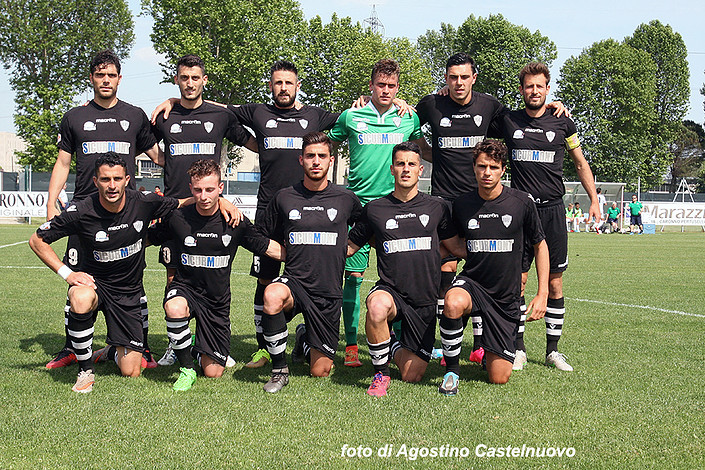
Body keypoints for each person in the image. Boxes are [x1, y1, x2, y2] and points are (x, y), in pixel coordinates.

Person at [151, 60, 340, 368]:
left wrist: (386, 102)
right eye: (277, 83)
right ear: (271, 86)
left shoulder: (314, 116)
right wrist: (175, 100)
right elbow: (217, 105)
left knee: (311, 271)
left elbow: (353, 118)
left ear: (297, 86)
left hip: (306, 210)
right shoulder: (258, 113)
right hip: (269, 212)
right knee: (263, 279)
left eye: (288, 83)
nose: (283, 88)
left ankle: (314, 332)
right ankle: (264, 347)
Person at [415, 53, 566, 363]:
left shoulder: (489, 106)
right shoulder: (431, 104)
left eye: (464, 77)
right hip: (445, 200)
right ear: (446, 79)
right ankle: (443, 344)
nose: (458, 82)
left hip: (479, 199)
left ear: (474, 78)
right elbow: (405, 124)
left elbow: (522, 118)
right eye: (452, 77)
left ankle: (483, 343)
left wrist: (555, 110)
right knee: (444, 269)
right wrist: (432, 155)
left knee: (485, 268)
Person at [29, 153, 191, 393]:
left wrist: (221, 202)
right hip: (94, 285)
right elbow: (36, 241)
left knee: (132, 371)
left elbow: (183, 204)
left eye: (117, 178)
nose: (112, 185)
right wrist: (68, 274)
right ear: (96, 182)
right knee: (80, 297)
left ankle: (112, 351)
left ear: (127, 179)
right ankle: (85, 370)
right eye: (105, 179)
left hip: (127, 292)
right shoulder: (81, 211)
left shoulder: (144, 201)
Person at [44, 50, 162, 370]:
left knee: (132, 282)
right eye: (100, 75)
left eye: (111, 75)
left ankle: (143, 346)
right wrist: (51, 198)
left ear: (120, 79)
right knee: (78, 283)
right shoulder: (74, 117)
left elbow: (160, 156)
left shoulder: (135, 115)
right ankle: (72, 347)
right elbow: (63, 162)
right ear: (92, 78)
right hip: (84, 215)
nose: (105, 80)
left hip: (125, 213)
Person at [490, 62, 599, 371]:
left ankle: (553, 351)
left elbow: (579, 162)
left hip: (552, 210)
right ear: (522, 90)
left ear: (548, 89)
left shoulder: (563, 123)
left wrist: (594, 200)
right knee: (519, 281)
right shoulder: (509, 121)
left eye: (540, 86)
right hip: (522, 212)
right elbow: (473, 116)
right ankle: (518, 348)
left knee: (554, 285)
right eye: (529, 86)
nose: (534, 91)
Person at [144, 160, 283, 391]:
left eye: (209, 189)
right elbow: (148, 238)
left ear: (220, 188)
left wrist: (306, 254)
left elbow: (266, 246)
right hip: (185, 289)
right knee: (174, 306)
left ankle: (198, 351)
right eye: (198, 190)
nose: (204, 196)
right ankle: (187, 368)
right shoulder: (178, 218)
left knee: (213, 372)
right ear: (191, 188)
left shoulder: (234, 221)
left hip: (216, 302)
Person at [329, 58, 422, 367]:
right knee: (353, 277)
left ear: (398, 88)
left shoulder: (408, 118)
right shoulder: (351, 115)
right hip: (357, 211)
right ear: (370, 86)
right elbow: (326, 145)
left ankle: (394, 341)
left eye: (391, 86)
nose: (385, 90)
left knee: (397, 280)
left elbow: (419, 148)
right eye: (380, 85)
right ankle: (352, 344)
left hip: (394, 211)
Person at [347, 141, 459, 396]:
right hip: (391, 291)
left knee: (412, 374)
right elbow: (350, 246)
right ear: (392, 169)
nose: (405, 169)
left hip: (424, 299)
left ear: (421, 170)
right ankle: (380, 374)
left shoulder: (437, 207)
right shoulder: (375, 209)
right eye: (400, 164)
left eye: (411, 164)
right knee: (376, 307)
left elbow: (455, 247)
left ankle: (390, 341)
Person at [437, 139, 549, 394]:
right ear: (474, 168)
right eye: (481, 166)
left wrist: (542, 294)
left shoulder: (521, 202)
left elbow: (540, 246)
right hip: (473, 283)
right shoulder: (462, 204)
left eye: (493, 167)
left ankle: (491, 350)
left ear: (503, 170)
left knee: (499, 377)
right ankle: (452, 371)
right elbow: (454, 245)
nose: (487, 173)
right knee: (453, 301)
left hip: (505, 295)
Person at [258, 132, 362, 393]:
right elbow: (260, 234)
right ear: (301, 160)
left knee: (321, 371)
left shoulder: (345, 198)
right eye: (310, 156)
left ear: (331, 161)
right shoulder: (284, 197)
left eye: (322, 156)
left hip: (328, 292)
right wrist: (282, 253)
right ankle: (279, 370)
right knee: (272, 295)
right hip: (294, 282)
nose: (316, 161)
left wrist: (349, 247)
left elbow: (367, 225)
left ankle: (304, 339)